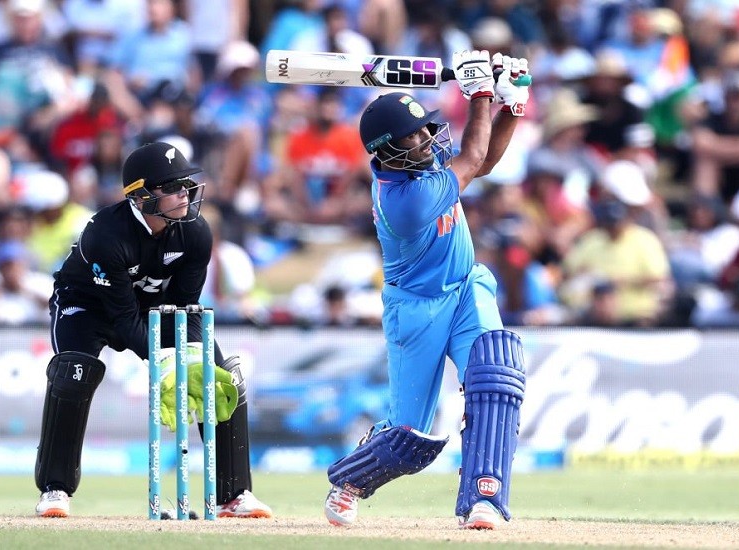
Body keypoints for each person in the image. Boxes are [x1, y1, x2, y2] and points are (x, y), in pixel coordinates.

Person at [323, 50, 530, 530]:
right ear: (385, 151)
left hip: (466, 288)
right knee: (408, 438)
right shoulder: (405, 199)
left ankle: (485, 497)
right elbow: (472, 158)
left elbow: (483, 163)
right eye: (411, 137)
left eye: (423, 130)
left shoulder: (419, 163)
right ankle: (351, 479)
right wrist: (480, 94)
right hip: (417, 310)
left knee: (496, 376)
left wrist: (510, 105)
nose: (424, 140)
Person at [33, 141, 272, 519]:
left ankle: (233, 495)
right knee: (73, 372)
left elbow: (186, 307)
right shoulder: (106, 234)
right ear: (142, 196)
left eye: (186, 185)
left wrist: (190, 360)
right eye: (173, 187)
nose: (185, 194)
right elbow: (123, 321)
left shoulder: (196, 232)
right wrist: (166, 363)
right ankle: (55, 489)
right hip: (89, 306)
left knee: (219, 375)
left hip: (155, 307)